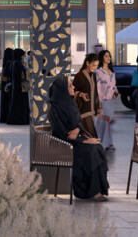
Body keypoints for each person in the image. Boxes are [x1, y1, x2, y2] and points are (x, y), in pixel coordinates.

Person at [46, 73, 110, 201]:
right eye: (70, 85)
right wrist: (85, 141)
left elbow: (77, 123)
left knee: (97, 148)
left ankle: (98, 189)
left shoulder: (70, 103)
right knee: (92, 150)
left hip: (74, 142)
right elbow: (63, 134)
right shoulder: (54, 109)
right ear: (63, 89)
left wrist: (78, 129)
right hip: (65, 145)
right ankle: (87, 191)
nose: (74, 87)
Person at [71, 54, 101, 139]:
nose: (95, 67)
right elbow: (73, 91)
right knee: (90, 134)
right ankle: (94, 148)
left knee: (87, 133)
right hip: (83, 109)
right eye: (93, 65)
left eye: (96, 66)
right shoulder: (79, 76)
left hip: (91, 109)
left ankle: (90, 148)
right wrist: (80, 94)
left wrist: (97, 106)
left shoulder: (94, 75)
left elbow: (95, 92)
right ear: (87, 63)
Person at [94, 49, 118, 151]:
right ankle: (100, 144)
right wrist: (99, 101)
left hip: (111, 101)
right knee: (102, 123)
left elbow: (114, 85)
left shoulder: (111, 72)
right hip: (103, 101)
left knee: (109, 123)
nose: (108, 58)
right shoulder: (98, 72)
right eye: (106, 56)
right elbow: (98, 88)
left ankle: (109, 144)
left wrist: (116, 92)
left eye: (109, 56)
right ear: (102, 58)